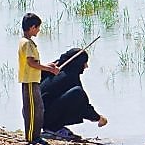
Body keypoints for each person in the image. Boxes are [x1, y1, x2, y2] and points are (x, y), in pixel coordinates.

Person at [40, 48, 108, 140]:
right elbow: (83, 105)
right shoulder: (69, 77)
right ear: (78, 63)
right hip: (44, 118)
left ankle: (54, 126)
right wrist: (99, 118)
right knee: (78, 93)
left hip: (37, 117)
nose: (86, 66)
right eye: (84, 62)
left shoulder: (53, 70)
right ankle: (53, 128)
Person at [17, 13, 59, 145]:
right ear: (32, 27)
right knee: (32, 110)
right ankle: (31, 138)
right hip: (29, 81)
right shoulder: (27, 43)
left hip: (34, 80)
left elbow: (34, 62)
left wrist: (48, 65)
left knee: (39, 108)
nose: (39, 30)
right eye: (38, 27)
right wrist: (49, 69)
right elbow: (31, 63)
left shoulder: (28, 42)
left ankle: (36, 136)